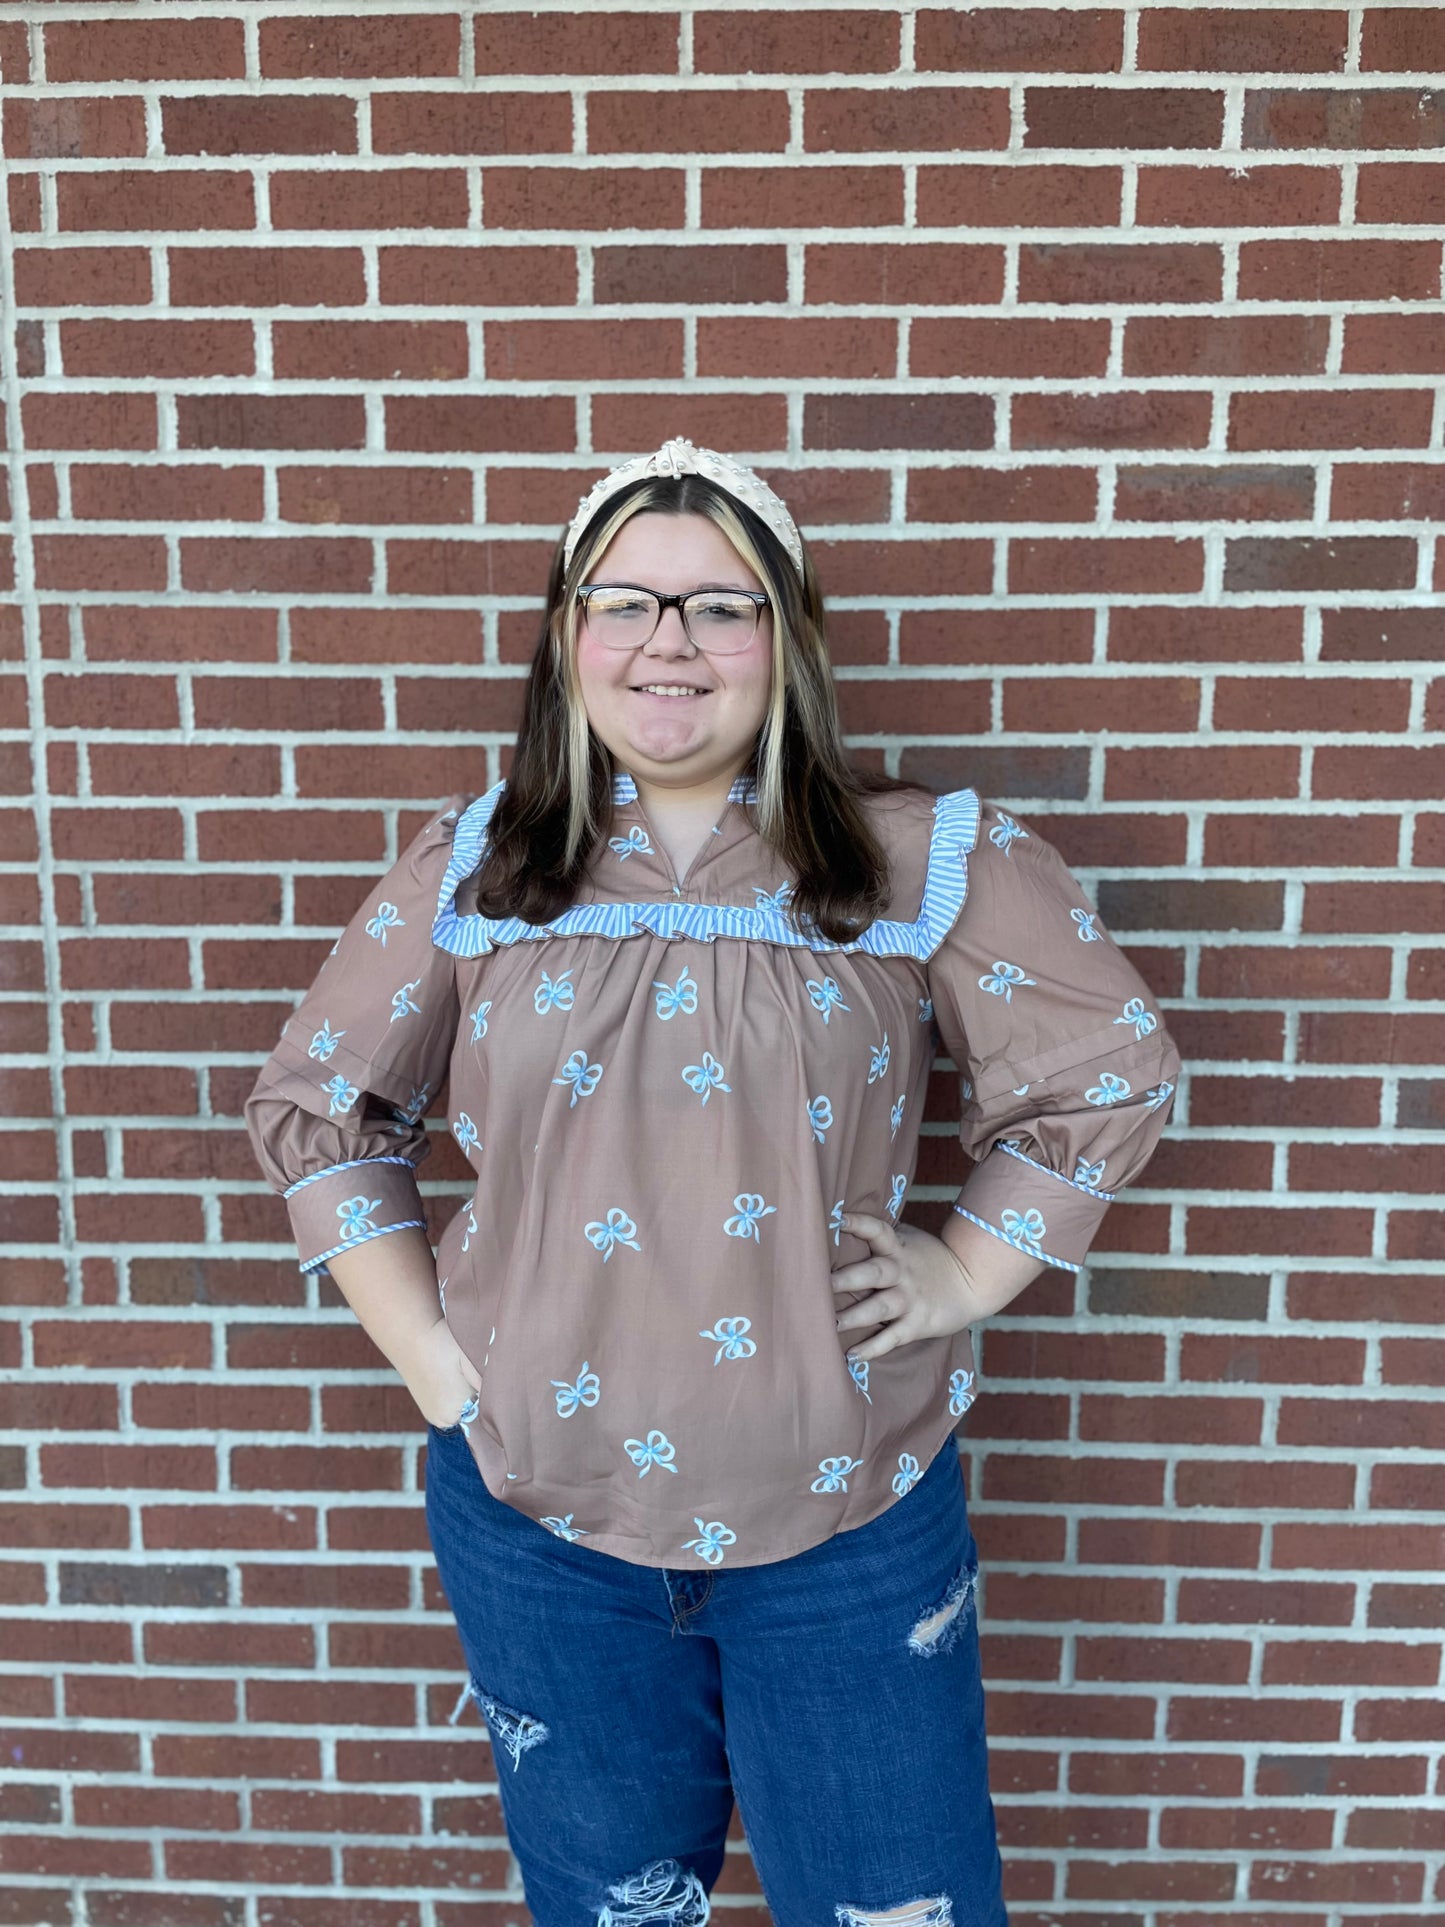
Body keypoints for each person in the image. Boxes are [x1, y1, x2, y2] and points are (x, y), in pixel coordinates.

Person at [245, 436, 1181, 1927]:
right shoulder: (477, 868)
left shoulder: (915, 860)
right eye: (624, 603)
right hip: (538, 1523)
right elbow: (322, 1105)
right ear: (567, 639)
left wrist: (965, 1272)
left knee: (895, 1906)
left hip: (848, 1524)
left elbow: (1104, 1068)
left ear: (783, 641)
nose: (668, 643)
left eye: (721, 607)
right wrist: (432, 1357)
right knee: (609, 1907)